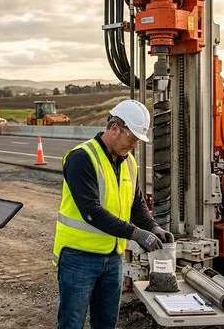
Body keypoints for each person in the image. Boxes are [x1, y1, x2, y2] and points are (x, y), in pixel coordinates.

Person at [53, 99, 173, 329]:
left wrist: (152, 227)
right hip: (79, 258)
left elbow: (135, 204)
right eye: (132, 138)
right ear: (115, 128)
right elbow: (92, 212)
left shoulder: (129, 162)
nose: (135, 146)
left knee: (107, 323)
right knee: (71, 323)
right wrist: (136, 234)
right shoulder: (82, 157)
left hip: (112, 258)